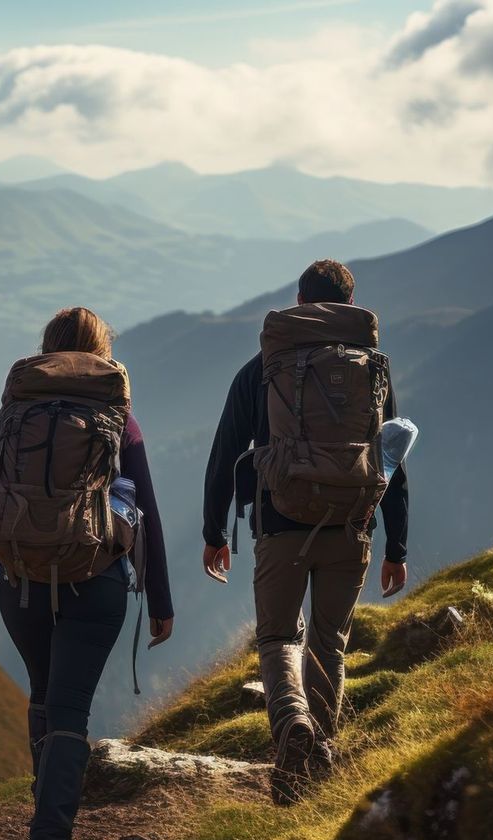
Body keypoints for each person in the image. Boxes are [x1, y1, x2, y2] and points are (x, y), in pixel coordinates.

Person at [0, 306, 174, 840]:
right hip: (95, 576)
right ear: (100, 353)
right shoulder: (116, 415)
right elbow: (147, 509)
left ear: (49, 351)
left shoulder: (17, 409)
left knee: (44, 694)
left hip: (21, 576)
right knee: (71, 711)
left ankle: (43, 812)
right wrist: (160, 597)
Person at [201, 260, 409, 804]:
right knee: (329, 643)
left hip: (280, 524)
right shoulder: (374, 369)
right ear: (349, 302)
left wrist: (213, 530)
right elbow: (391, 459)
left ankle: (292, 724)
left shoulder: (262, 368)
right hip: (351, 524)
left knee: (276, 639)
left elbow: (225, 454)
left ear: (299, 300)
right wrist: (397, 545)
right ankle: (317, 765)